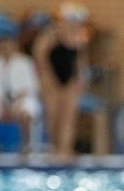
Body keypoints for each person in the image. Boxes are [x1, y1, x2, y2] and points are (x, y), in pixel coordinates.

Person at [32, 2, 90, 159]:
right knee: (53, 115)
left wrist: (80, 79)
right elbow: (40, 55)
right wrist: (47, 79)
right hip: (51, 79)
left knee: (68, 117)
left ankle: (65, 149)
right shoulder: (51, 33)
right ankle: (54, 148)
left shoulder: (79, 36)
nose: (75, 24)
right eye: (72, 20)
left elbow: (80, 60)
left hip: (69, 80)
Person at [0, 21, 42, 152]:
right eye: (2, 43)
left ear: (14, 45)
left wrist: (16, 103)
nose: (5, 46)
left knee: (27, 111)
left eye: (8, 43)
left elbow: (31, 89)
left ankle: (27, 145)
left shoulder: (25, 63)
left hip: (20, 100)